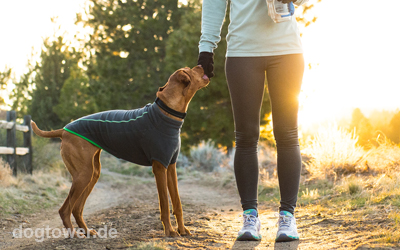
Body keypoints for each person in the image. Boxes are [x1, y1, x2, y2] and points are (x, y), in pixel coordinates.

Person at [197, 0, 308, 242]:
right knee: (246, 136)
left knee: (287, 133)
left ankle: (287, 217)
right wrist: (207, 47)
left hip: (287, 50)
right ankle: (250, 217)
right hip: (242, 52)